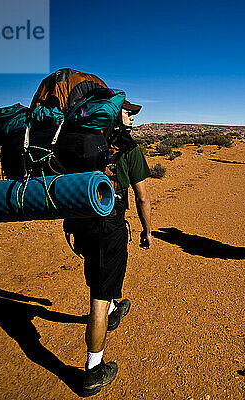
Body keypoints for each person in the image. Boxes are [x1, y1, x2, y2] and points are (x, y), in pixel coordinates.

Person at [65, 99, 153, 396]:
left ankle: (114, 306)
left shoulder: (79, 144)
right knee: (99, 295)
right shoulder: (130, 149)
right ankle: (93, 369)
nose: (131, 117)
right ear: (117, 115)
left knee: (100, 275)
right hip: (110, 229)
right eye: (128, 112)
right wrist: (148, 230)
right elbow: (142, 198)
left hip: (80, 227)